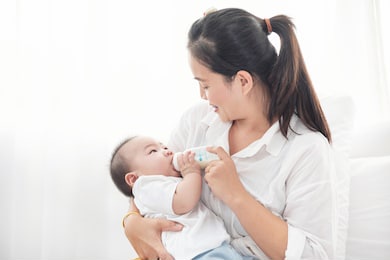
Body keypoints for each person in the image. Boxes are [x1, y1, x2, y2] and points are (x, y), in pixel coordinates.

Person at [122, 7, 348, 260]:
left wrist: (236, 195)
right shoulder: (197, 121)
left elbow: (313, 256)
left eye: (206, 85)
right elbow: (152, 179)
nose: (202, 95)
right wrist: (132, 222)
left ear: (243, 81)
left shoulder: (305, 150)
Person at [109, 135, 245, 259]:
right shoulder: (145, 187)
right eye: (153, 151)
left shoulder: (167, 182)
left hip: (218, 249)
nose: (167, 151)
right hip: (198, 253)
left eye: (164, 147)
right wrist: (191, 172)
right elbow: (183, 202)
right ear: (133, 178)